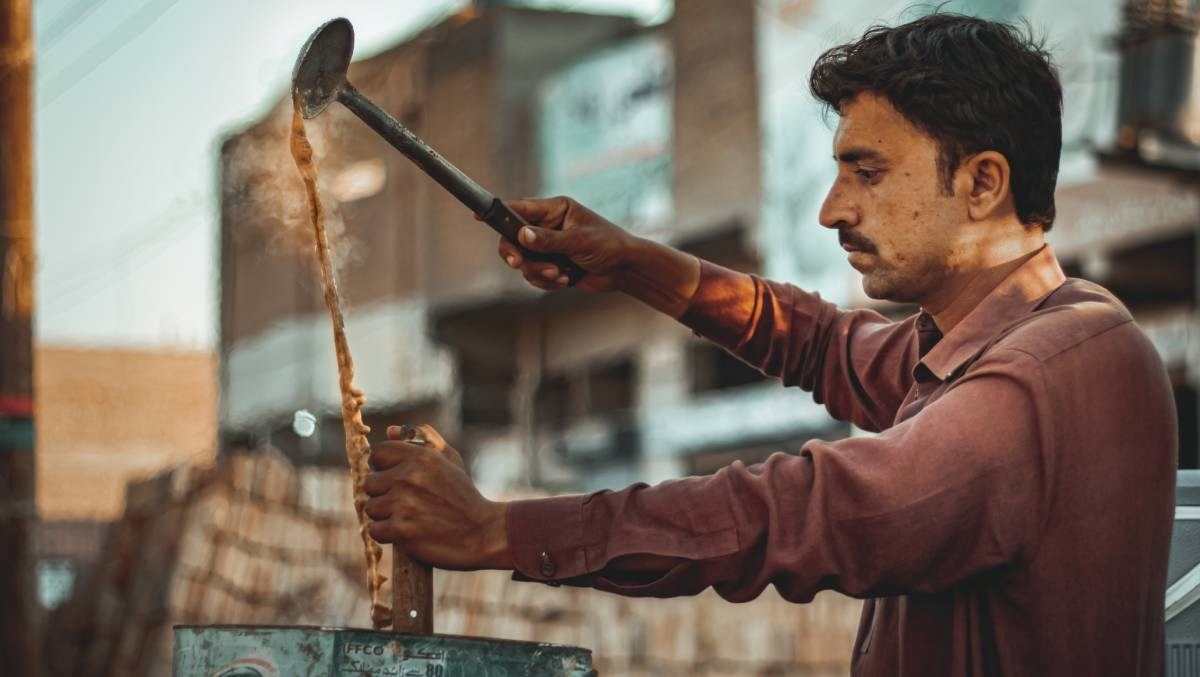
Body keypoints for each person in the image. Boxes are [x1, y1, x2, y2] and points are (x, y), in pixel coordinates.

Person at [362, 13, 1177, 676]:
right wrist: (633, 262)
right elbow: (818, 344)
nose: (831, 209)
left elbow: (799, 512)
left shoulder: (1046, 371)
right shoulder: (994, 342)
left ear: (982, 183)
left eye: (866, 171)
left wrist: (496, 528)